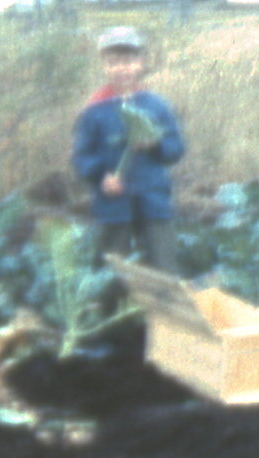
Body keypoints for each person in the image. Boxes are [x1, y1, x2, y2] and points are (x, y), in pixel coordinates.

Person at [71, 26, 185, 276]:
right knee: (111, 270)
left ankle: (164, 314)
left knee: (163, 268)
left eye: (128, 61)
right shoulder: (94, 111)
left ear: (140, 63)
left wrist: (154, 145)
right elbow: (81, 157)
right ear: (104, 66)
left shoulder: (156, 106)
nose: (121, 69)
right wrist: (102, 177)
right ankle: (115, 312)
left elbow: (176, 149)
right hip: (112, 204)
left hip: (153, 200)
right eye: (114, 63)